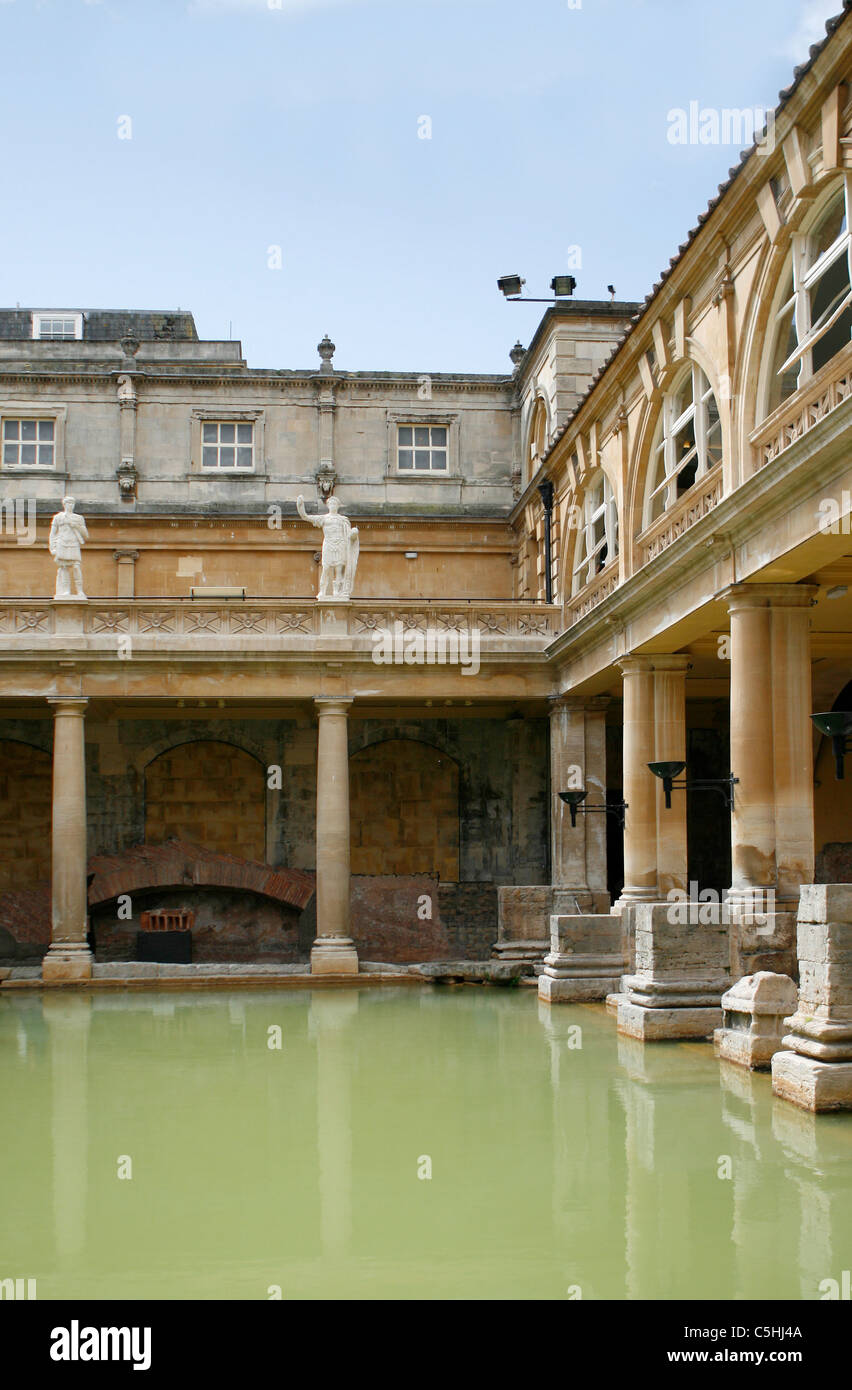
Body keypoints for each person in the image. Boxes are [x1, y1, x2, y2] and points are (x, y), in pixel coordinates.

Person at [49, 496, 88, 600]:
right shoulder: (58, 517)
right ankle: (66, 591)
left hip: (74, 543)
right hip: (62, 543)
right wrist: (52, 547)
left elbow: (85, 535)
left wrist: (77, 526)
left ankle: (80, 591)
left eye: (72, 503)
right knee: (64, 567)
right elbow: (52, 533)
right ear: (64, 504)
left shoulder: (78, 518)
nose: (70, 505)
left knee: (76, 567)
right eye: (68, 503)